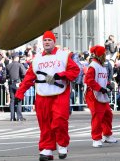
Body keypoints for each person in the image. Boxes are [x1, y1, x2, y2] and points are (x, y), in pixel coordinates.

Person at [15, 30, 82, 161]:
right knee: (44, 122)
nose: (46, 42)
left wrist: (60, 75)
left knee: (59, 121)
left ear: (54, 42)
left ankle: (62, 144)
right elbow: (29, 78)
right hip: (42, 94)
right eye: (45, 40)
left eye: (49, 40)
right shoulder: (37, 59)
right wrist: (20, 93)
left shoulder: (64, 56)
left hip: (59, 94)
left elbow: (75, 71)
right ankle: (47, 149)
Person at [84, 45, 117, 147]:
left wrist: (108, 85)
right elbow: (88, 80)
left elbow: (102, 79)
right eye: (104, 54)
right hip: (93, 94)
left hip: (100, 93)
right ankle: (96, 138)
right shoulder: (93, 66)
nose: (105, 55)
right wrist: (100, 88)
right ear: (99, 55)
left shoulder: (101, 66)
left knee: (107, 114)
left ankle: (107, 134)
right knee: (97, 116)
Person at [6, 52, 27, 121]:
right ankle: (19, 117)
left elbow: (4, 76)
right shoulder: (19, 65)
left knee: (12, 100)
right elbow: (24, 73)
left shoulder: (8, 66)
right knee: (19, 100)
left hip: (11, 84)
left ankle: (12, 117)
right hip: (18, 83)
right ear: (16, 58)